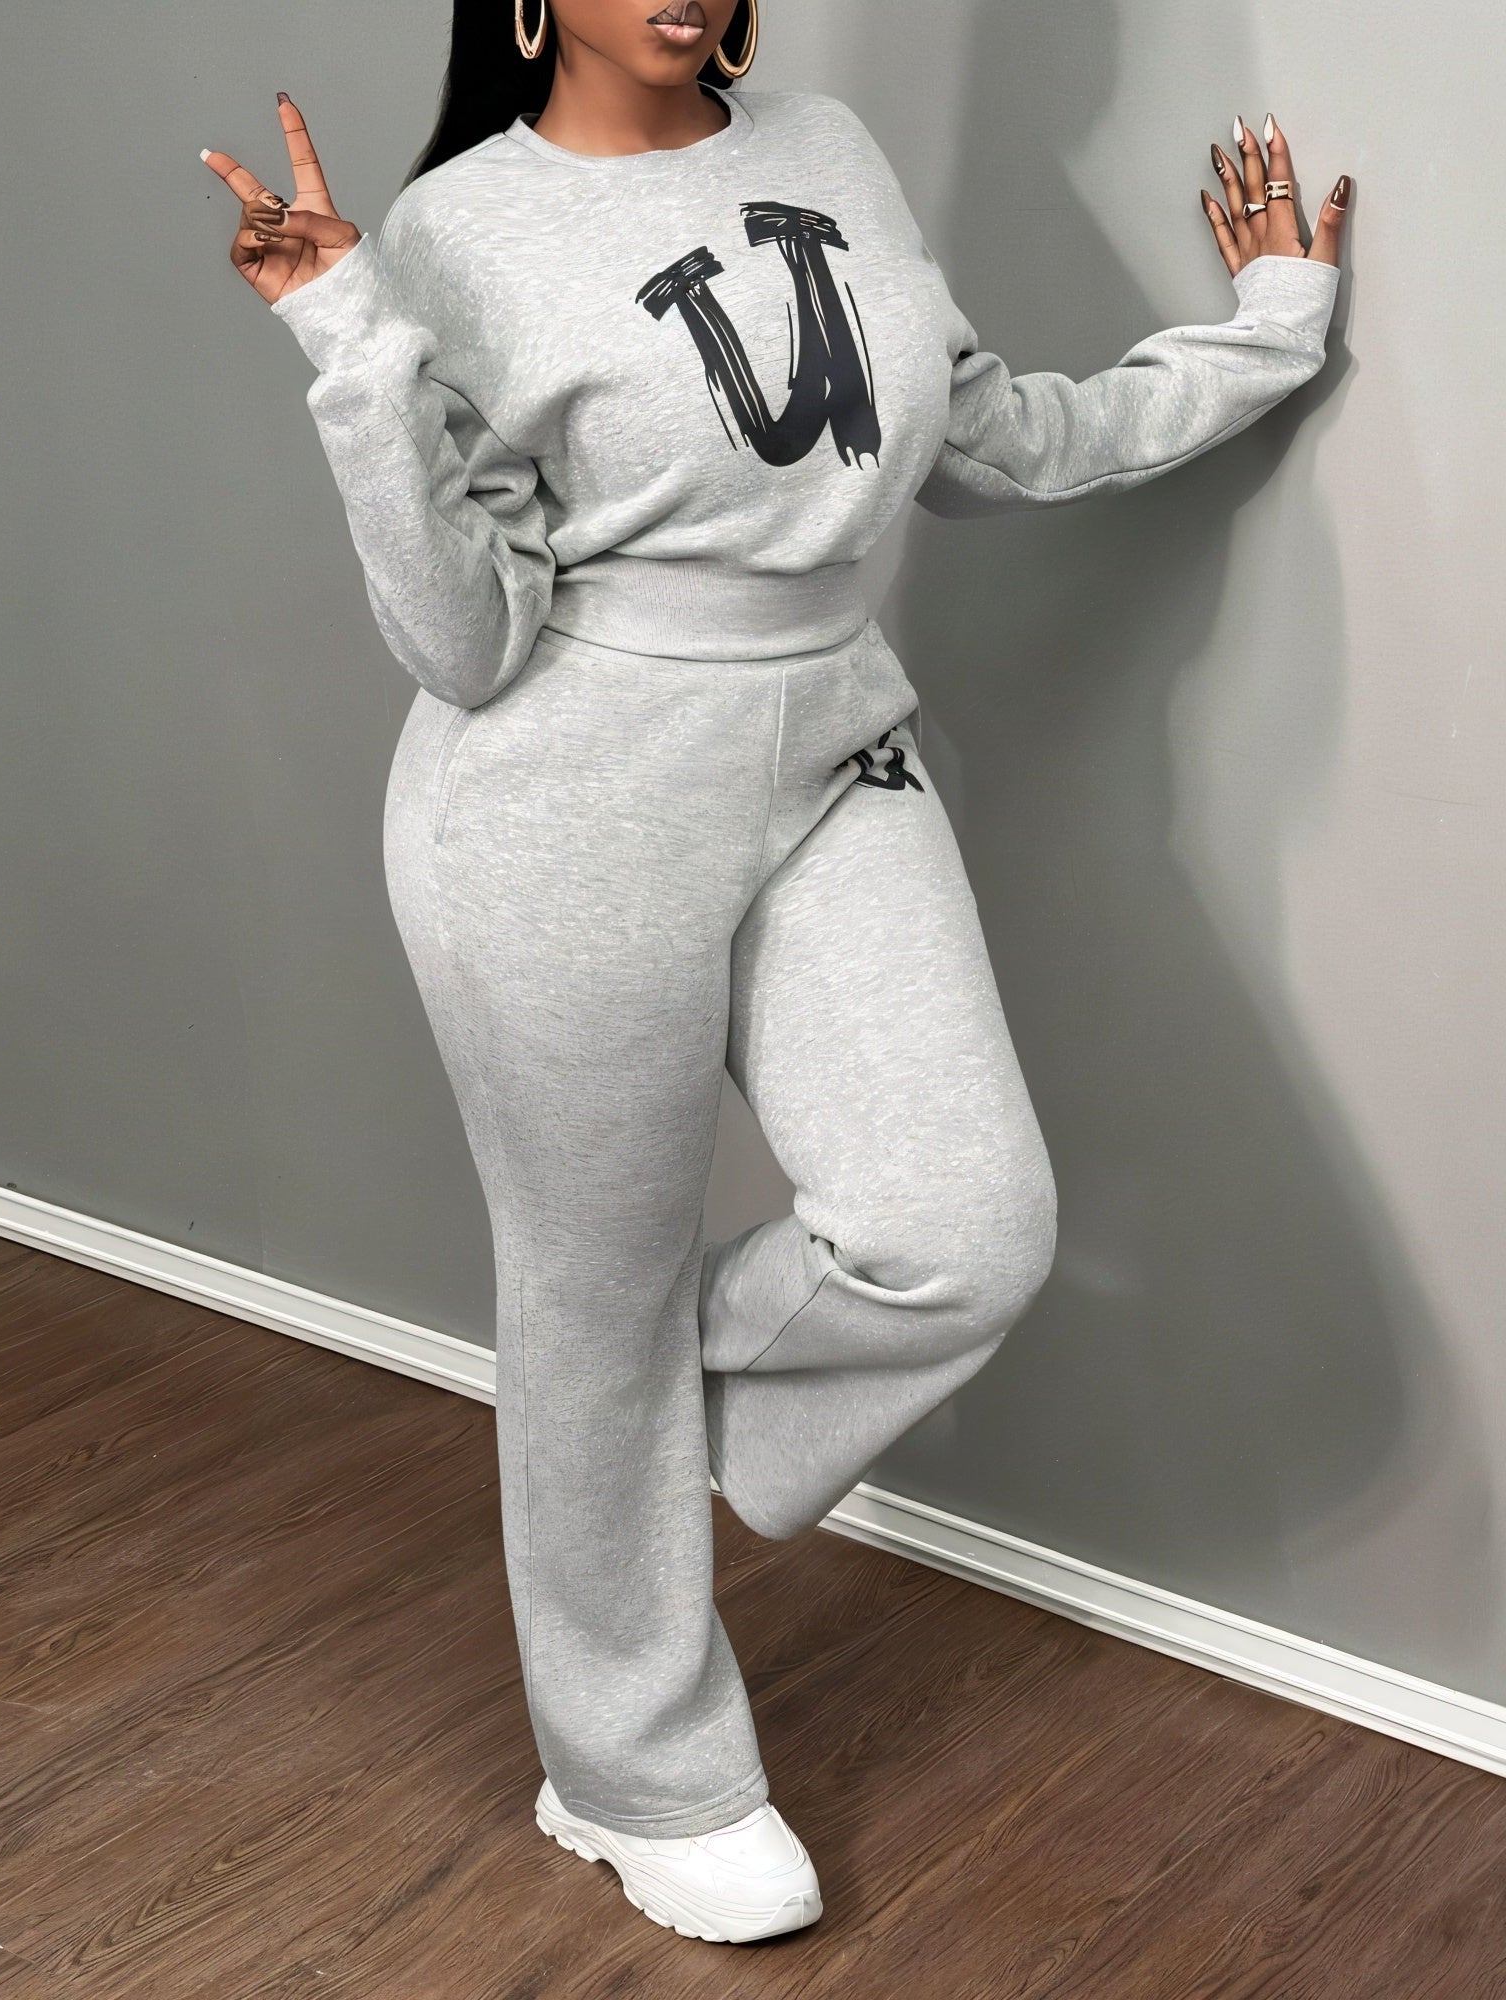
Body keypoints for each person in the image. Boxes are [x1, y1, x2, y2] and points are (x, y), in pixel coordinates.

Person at [200, 0, 1351, 1946]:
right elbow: (463, 640)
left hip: (827, 742)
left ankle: (622, 1418)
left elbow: (992, 436)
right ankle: (634, 1777)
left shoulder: (824, 147)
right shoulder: (460, 229)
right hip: (564, 796)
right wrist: (347, 341)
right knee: (589, 1290)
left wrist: (1267, 329)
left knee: (960, 1224)